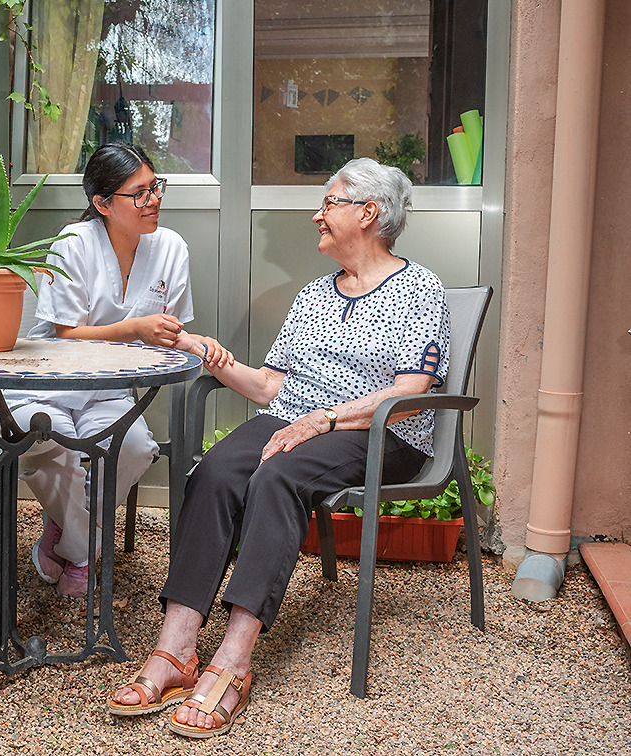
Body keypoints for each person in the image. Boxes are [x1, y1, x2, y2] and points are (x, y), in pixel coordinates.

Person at [106, 157, 450, 739]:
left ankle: (235, 659)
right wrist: (213, 358)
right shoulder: (315, 294)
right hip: (294, 419)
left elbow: (412, 391)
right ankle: (178, 645)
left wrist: (323, 420)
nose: (317, 214)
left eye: (330, 203)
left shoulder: (419, 289)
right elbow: (273, 385)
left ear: (368, 214)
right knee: (216, 470)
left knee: (277, 476)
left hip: (380, 432)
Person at [6, 144, 232, 599]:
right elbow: (66, 335)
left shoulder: (171, 247)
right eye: (140, 194)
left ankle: (66, 532)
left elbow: (171, 330)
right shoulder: (72, 244)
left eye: (155, 188)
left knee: (135, 448)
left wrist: (199, 344)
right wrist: (134, 328)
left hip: (111, 390)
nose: (154, 201)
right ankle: (86, 551)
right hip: (48, 379)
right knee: (44, 438)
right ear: (102, 204)